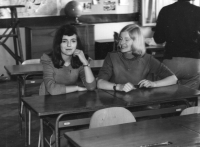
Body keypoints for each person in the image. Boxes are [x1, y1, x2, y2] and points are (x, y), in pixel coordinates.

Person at [97, 24, 177, 92]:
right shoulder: (112, 57)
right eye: (121, 39)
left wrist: (154, 84)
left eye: (126, 40)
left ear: (136, 41)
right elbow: (100, 83)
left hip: (138, 103)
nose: (121, 43)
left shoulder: (147, 59)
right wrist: (118, 86)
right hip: (117, 104)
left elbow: (173, 78)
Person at [153, 0, 200, 90]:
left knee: (166, 96)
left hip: (171, 61)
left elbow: (158, 39)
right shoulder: (198, 11)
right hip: (193, 63)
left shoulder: (165, 10)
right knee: (189, 97)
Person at [39, 24, 96, 95]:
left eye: (73, 41)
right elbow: (52, 90)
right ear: (59, 43)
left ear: (77, 43)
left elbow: (91, 87)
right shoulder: (48, 60)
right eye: (64, 41)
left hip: (70, 99)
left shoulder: (79, 59)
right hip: (49, 100)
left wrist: (85, 63)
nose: (69, 45)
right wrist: (76, 88)